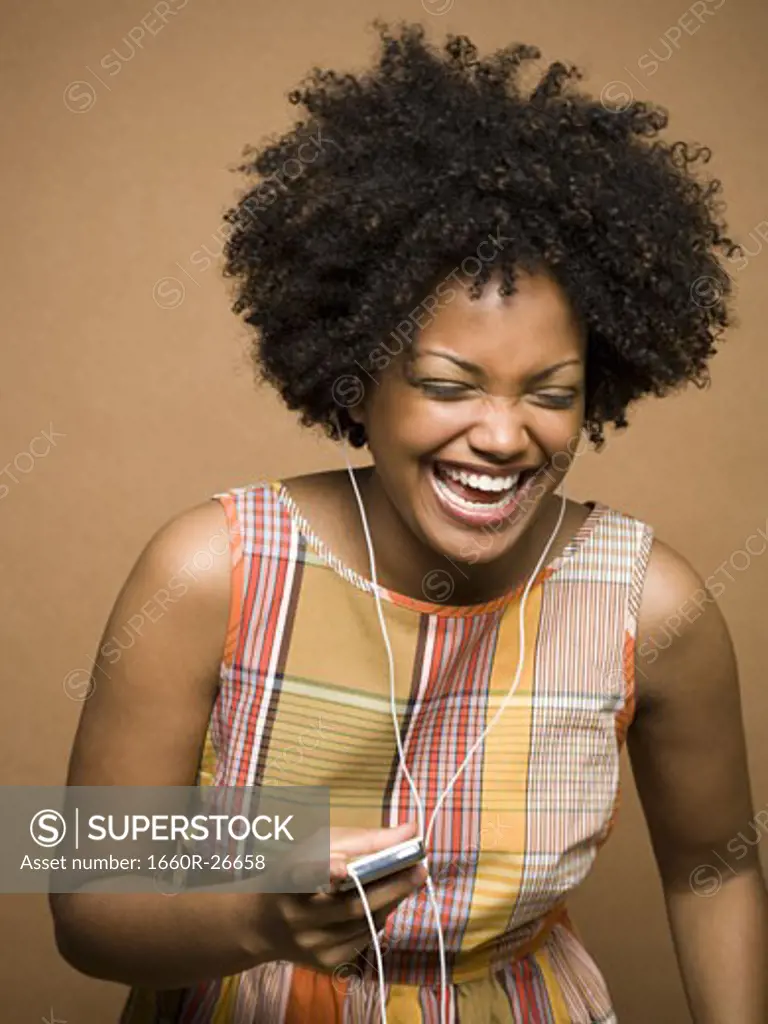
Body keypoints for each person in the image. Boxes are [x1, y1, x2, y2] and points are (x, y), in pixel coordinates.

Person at [49, 19, 768, 1024]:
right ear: (359, 376)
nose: (504, 434)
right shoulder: (214, 569)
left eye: (550, 392)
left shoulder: (654, 607)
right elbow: (80, 901)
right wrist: (257, 918)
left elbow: (712, 870)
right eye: (447, 384)